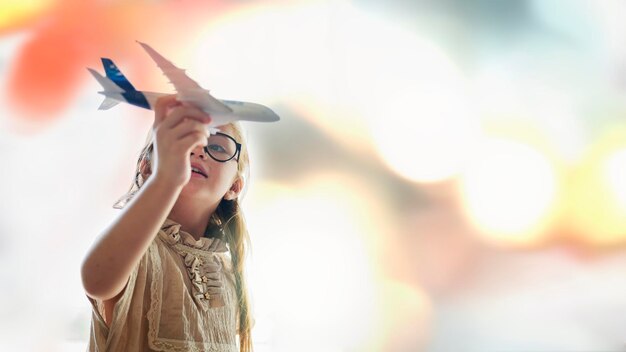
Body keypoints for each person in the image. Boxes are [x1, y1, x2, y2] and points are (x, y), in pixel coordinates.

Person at [81, 95, 254, 352]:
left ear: (234, 186)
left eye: (217, 147)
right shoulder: (135, 251)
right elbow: (97, 279)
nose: (197, 149)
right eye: (181, 141)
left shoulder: (228, 273)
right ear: (147, 168)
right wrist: (167, 177)